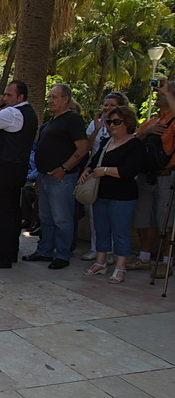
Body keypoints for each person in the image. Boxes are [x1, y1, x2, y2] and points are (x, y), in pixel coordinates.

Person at [22, 84, 88, 269]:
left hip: (62, 178)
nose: (50, 101)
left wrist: (64, 169)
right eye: (49, 97)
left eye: (54, 97)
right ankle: (44, 251)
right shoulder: (51, 122)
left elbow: (82, 148)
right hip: (44, 177)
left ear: (65, 99)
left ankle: (63, 254)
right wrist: (40, 178)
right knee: (46, 218)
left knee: (62, 218)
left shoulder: (72, 119)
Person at [0, 80, 39, 269]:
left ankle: (3, 255)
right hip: (16, 167)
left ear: (20, 97)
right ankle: (10, 249)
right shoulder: (28, 113)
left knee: (1, 209)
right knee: (11, 210)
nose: (5, 97)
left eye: (9, 95)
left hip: (5, 166)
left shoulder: (13, 113)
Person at [78, 106, 144, 284]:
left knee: (120, 231)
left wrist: (105, 171)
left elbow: (131, 171)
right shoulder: (107, 142)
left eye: (117, 122)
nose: (112, 125)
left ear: (127, 123)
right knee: (101, 229)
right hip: (102, 193)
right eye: (109, 122)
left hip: (123, 196)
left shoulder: (135, 144)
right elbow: (94, 160)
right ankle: (100, 262)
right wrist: (88, 170)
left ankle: (120, 267)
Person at [126, 80, 175, 278]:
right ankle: (145, 258)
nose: (158, 95)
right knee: (144, 218)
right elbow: (133, 143)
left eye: (163, 93)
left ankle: (166, 261)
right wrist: (146, 133)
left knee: (166, 221)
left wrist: (169, 93)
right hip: (146, 176)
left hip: (167, 177)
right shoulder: (153, 121)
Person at [80, 92, 128, 262]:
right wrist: (98, 129)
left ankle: (114, 252)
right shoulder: (95, 125)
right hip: (96, 173)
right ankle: (96, 249)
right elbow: (87, 147)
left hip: (115, 176)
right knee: (95, 215)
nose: (107, 108)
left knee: (115, 219)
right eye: (106, 105)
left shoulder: (125, 130)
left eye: (112, 105)